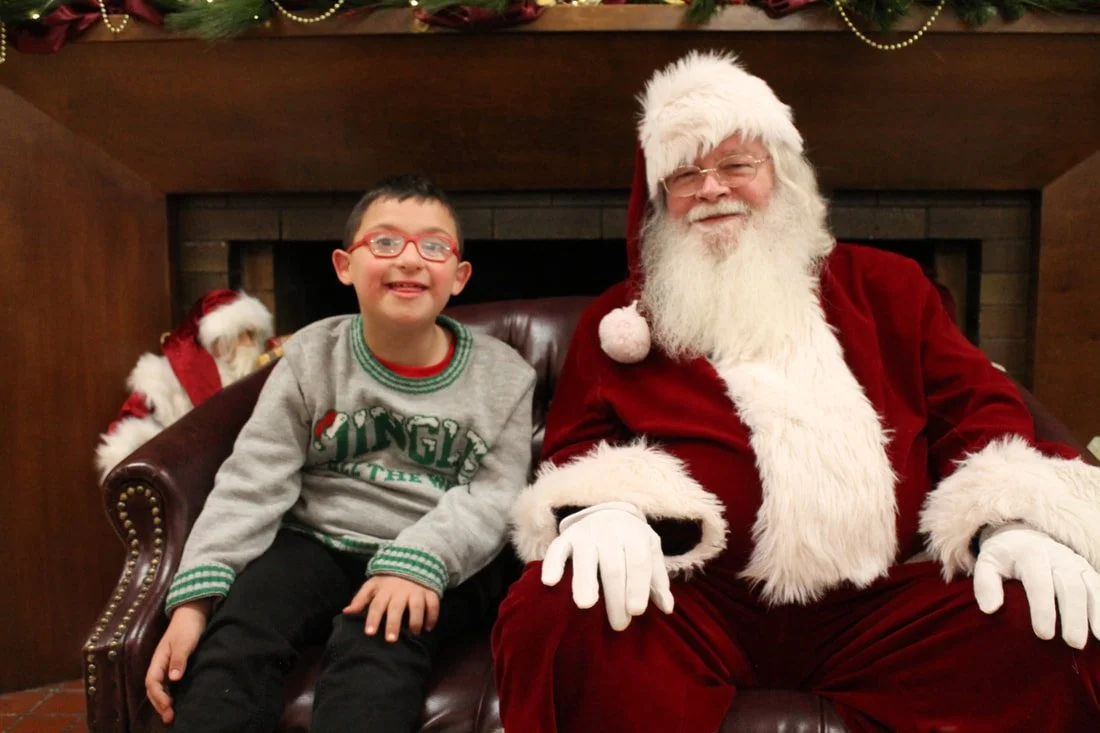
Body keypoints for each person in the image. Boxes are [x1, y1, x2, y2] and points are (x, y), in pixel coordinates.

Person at [493, 51, 1100, 733]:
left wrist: (1012, 519)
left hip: (880, 605)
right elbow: (577, 442)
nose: (712, 187)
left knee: (1052, 622)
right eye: (686, 173)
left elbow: (978, 412)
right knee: (555, 611)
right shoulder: (621, 324)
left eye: (736, 165)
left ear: (779, 173)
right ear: (661, 200)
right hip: (692, 603)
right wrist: (602, 512)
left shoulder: (891, 288)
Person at [145, 175, 536, 732]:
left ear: (458, 276)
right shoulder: (311, 357)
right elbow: (253, 478)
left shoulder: (504, 376)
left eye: (433, 246)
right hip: (316, 540)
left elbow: (497, 495)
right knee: (237, 636)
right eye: (384, 242)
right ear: (343, 265)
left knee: (375, 646)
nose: (409, 260)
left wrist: (418, 563)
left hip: (438, 553)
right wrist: (195, 601)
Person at [94, 288, 273, 481]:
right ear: (216, 341)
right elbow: (125, 435)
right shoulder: (163, 381)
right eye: (239, 335)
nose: (249, 343)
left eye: (252, 335)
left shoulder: (265, 369)